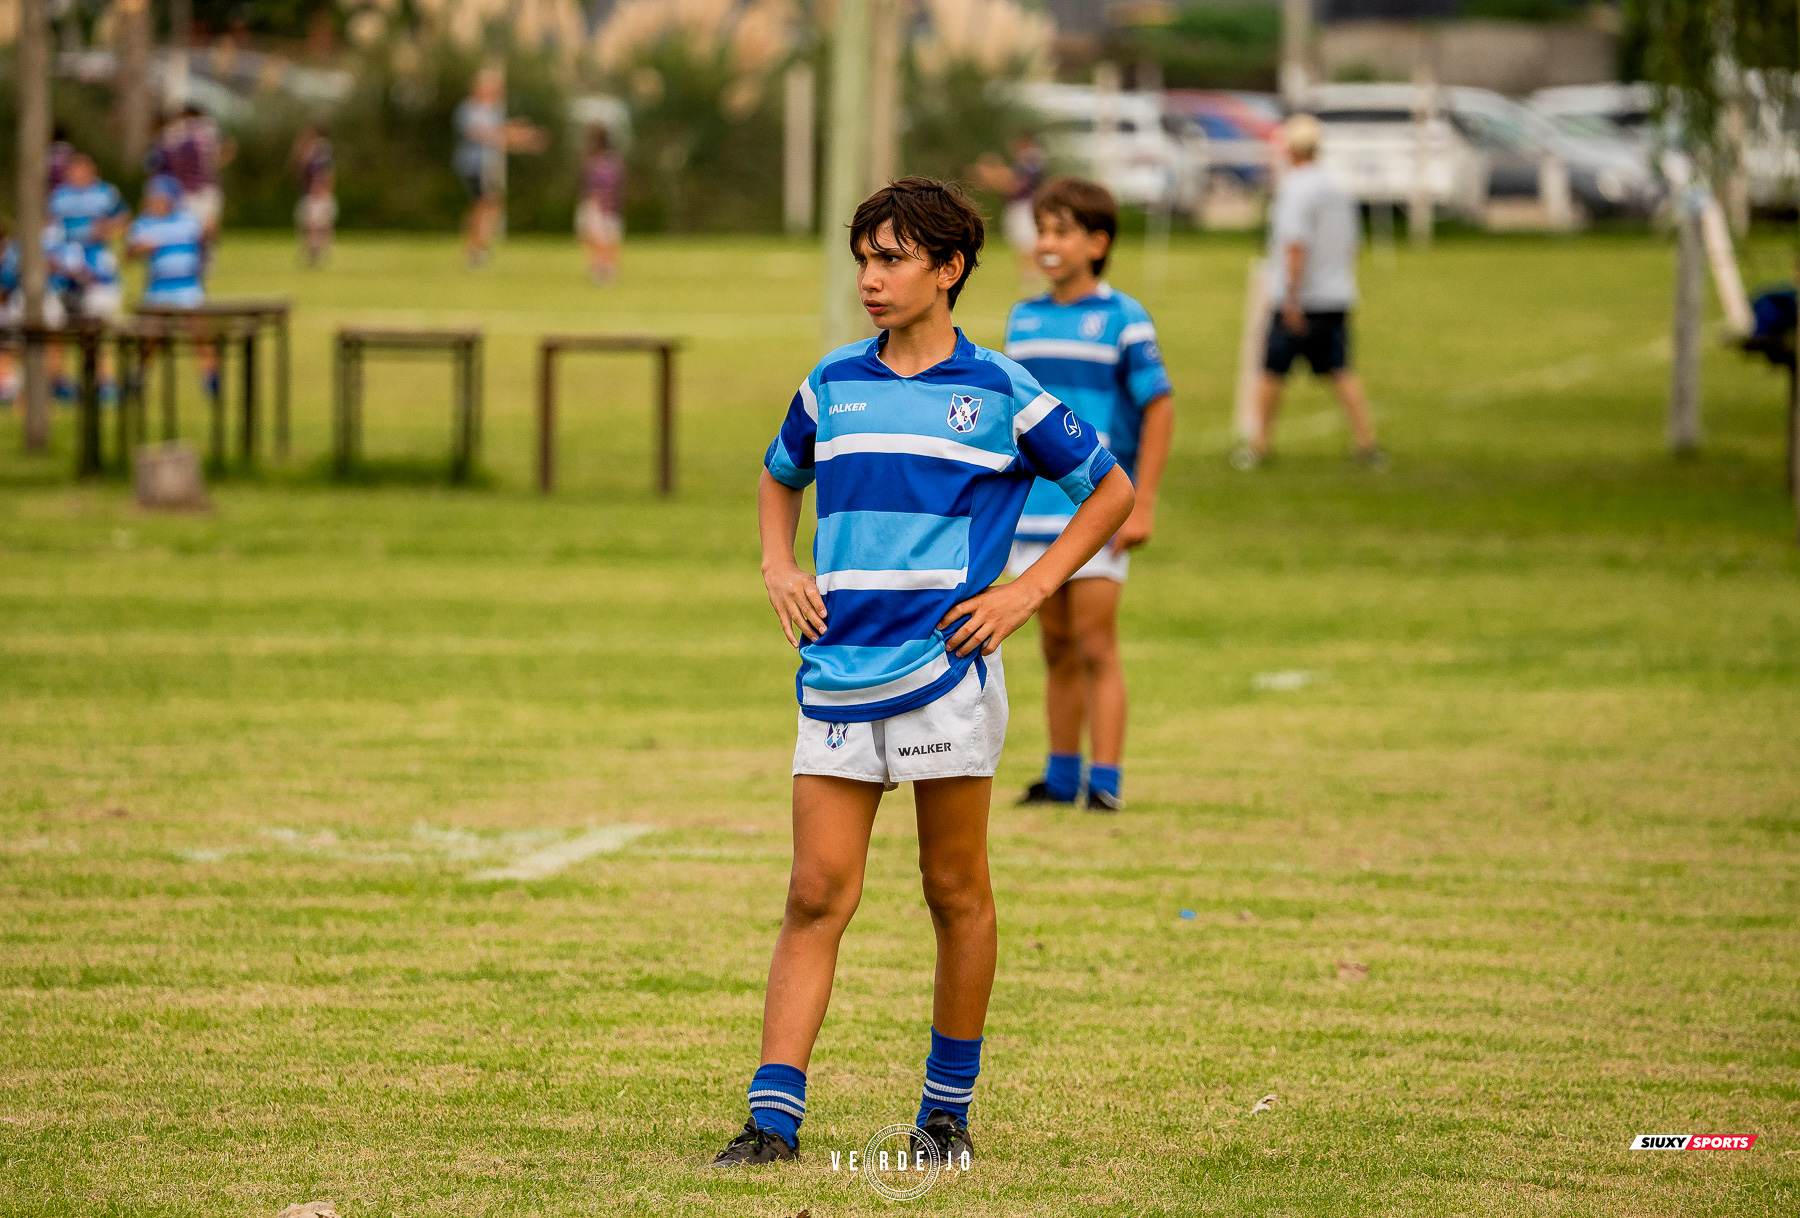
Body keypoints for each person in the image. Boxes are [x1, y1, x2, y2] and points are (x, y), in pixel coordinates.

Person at [709, 177, 1134, 1170]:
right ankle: (772, 1121)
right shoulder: (831, 382)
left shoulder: (996, 391)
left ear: (948, 270)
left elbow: (1109, 490)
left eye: (892, 259)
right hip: (838, 676)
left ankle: (945, 1112)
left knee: (954, 890)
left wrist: (1025, 593)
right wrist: (779, 563)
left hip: (947, 679)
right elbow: (780, 475)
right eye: (864, 257)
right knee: (815, 892)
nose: (871, 277)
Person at [1003, 177, 1173, 813]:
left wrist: (1144, 500)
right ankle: (1060, 774)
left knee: (1096, 643)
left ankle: (1105, 782)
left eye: (1062, 231)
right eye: (1042, 230)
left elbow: (1158, 407)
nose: (1048, 243)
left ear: (1097, 243)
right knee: (1054, 645)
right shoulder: (1025, 318)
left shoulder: (1124, 319)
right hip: (1035, 511)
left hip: (1097, 506)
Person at [1238, 114, 1384, 470]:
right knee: (1340, 369)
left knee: (1271, 370)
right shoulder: (1338, 187)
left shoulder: (1295, 188)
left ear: (1290, 148)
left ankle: (1258, 445)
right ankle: (1366, 442)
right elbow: (1352, 243)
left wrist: (1290, 296)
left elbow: (1294, 245)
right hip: (1336, 293)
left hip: (1301, 297)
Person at [126, 176, 217, 398]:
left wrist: (210, 230)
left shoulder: (188, 220)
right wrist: (140, 248)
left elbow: (206, 240)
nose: (155, 202)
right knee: (150, 337)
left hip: (188, 288)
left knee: (200, 334)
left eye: (159, 198)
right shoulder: (143, 224)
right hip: (158, 290)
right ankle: (138, 376)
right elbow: (128, 254)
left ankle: (211, 380)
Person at [453, 67, 546, 268]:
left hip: (489, 165)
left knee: (490, 203)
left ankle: (480, 245)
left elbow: (500, 137)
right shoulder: (469, 109)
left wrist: (526, 141)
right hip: (475, 164)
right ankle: (474, 249)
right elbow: (480, 134)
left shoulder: (493, 110)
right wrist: (516, 133)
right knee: (481, 204)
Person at [971, 133, 1049, 289]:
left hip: (1025, 205)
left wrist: (994, 171)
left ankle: (1033, 279)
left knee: (1028, 242)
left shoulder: (1030, 160)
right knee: (1022, 244)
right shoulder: (1026, 161)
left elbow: (1014, 185)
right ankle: (1029, 279)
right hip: (1020, 206)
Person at [158, 104, 232, 244]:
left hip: (189, 189)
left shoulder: (181, 136)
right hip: (207, 187)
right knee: (207, 225)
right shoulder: (209, 134)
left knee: (193, 226)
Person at [576, 126, 626, 284]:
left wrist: (601, 206)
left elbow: (598, 189)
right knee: (605, 237)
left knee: (599, 238)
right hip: (611, 205)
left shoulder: (596, 163)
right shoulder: (614, 161)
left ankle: (603, 268)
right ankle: (602, 267)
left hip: (599, 205)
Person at [290, 122, 337, 267]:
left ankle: (317, 256)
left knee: (316, 225)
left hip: (316, 194)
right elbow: (297, 167)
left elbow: (325, 172)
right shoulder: (310, 148)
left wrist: (323, 192)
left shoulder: (321, 147)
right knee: (311, 225)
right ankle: (315, 255)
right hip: (309, 193)